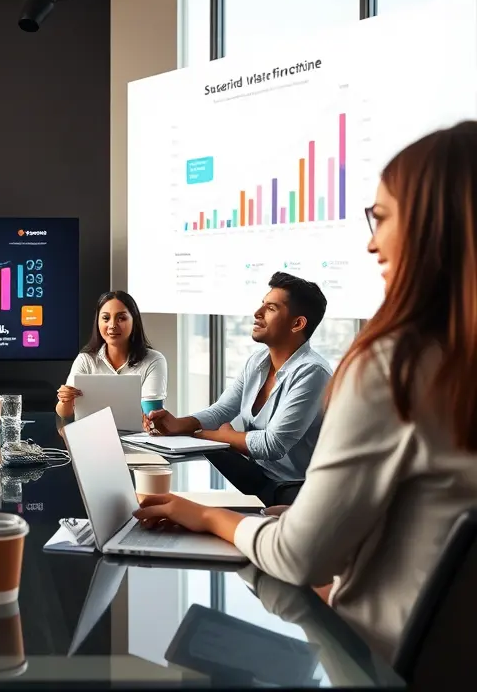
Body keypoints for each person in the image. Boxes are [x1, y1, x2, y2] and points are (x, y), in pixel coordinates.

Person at [134, 121, 477, 663]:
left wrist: (207, 516)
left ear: (432, 226)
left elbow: (300, 558)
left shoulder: (394, 368)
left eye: (382, 217)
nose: (372, 242)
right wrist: (192, 429)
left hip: (373, 658)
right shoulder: (451, 364)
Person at [145, 272, 330, 505]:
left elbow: (273, 445)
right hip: (258, 476)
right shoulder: (257, 361)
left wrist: (216, 436)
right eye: (262, 304)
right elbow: (221, 411)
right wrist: (179, 424)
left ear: (297, 324)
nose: (257, 313)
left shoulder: (312, 372)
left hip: (296, 490)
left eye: (271, 308)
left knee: (195, 497)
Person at [56, 290, 167, 419]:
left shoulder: (154, 360)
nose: (112, 325)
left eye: (121, 318)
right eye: (106, 318)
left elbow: (152, 412)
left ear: (134, 321)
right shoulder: (86, 360)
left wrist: (149, 420)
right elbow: (64, 413)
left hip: (137, 432)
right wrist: (65, 399)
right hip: (92, 430)